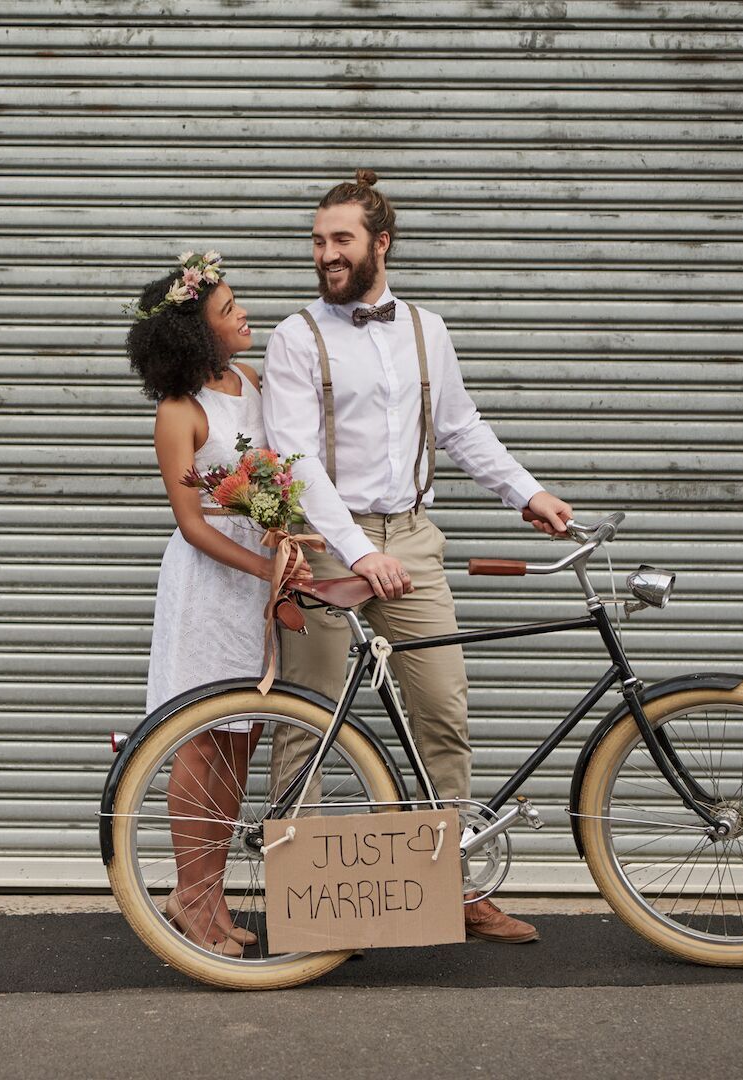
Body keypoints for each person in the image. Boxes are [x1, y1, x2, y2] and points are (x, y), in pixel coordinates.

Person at [261, 171, 573, 945]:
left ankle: (454, 888)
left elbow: (461, 428)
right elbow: (296, 462)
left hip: (415, 540)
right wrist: (360, 552)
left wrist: (527, 494)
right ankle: (296, 905)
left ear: (381, 243)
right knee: (309, 721)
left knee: (443, 714)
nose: (325, 253)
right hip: (327, 544)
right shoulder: (297, 335)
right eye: (317, 240)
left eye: (341, 239)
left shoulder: (428, 329)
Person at [126, 251, 312, 957]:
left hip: (256, 585)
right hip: (210, 585)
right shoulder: (180, 413)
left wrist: (281, 545)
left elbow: (272, 479)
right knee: (200, 744)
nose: (245, 316)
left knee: (242, 738)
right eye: (230, 310)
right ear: (197, 333)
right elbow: (195, 524)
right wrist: (268, 565)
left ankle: (201, 892)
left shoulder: (251, 381)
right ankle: (195, 898)